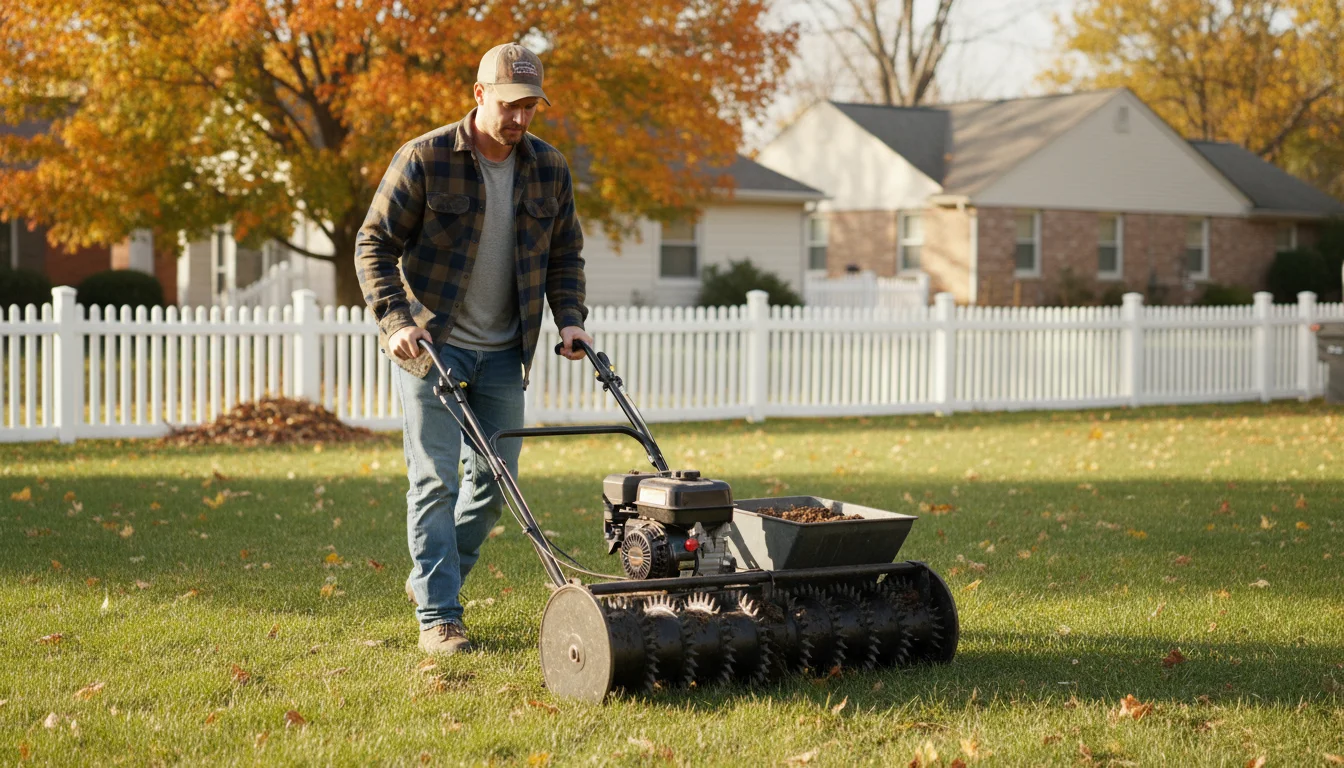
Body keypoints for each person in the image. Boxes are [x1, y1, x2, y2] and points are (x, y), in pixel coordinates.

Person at [354, 42, 593, 655]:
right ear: (480, 94)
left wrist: (571, 320)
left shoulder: (549, 167)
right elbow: (374, 243)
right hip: (431, 344)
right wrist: (395, 320)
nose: (519, 118)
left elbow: (565, 254)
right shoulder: (426, 157)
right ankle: (439, 616)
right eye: (509, 104)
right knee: (435, 480)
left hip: (504, 351)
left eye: (531, 107)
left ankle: (434, 576)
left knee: (495, 483)